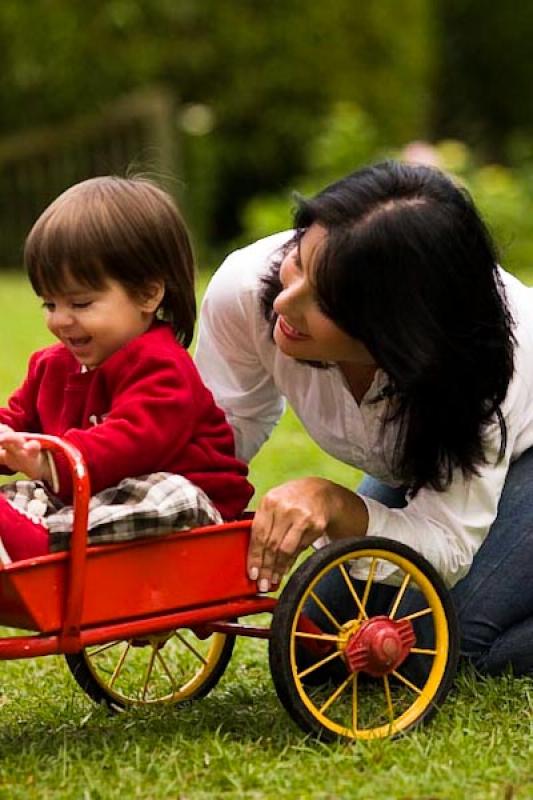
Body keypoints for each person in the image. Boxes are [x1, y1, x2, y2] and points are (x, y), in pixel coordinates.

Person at [195, 160, 533, 676]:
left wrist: (334, 504)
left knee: (427, 652)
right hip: (421, 463)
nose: (285, 302)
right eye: (300, 258)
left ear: (400, 333)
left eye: (325, 302)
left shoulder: (481, 371)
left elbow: (445, 541)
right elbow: (220, 429)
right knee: (322, 643)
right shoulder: (245, 287)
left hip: (525, 447)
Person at [0, 176, 253, 562]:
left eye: (80, 304)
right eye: (50, 304)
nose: (60, 320)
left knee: (163, 494)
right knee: (34, 497)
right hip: (93, 504)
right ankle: (35, 533)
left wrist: (47, 461)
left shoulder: (163, 366)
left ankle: (44, 542)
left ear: (149, 294)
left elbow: (130, 441)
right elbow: (17, 420)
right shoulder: (50, 366)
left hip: (188, 516)